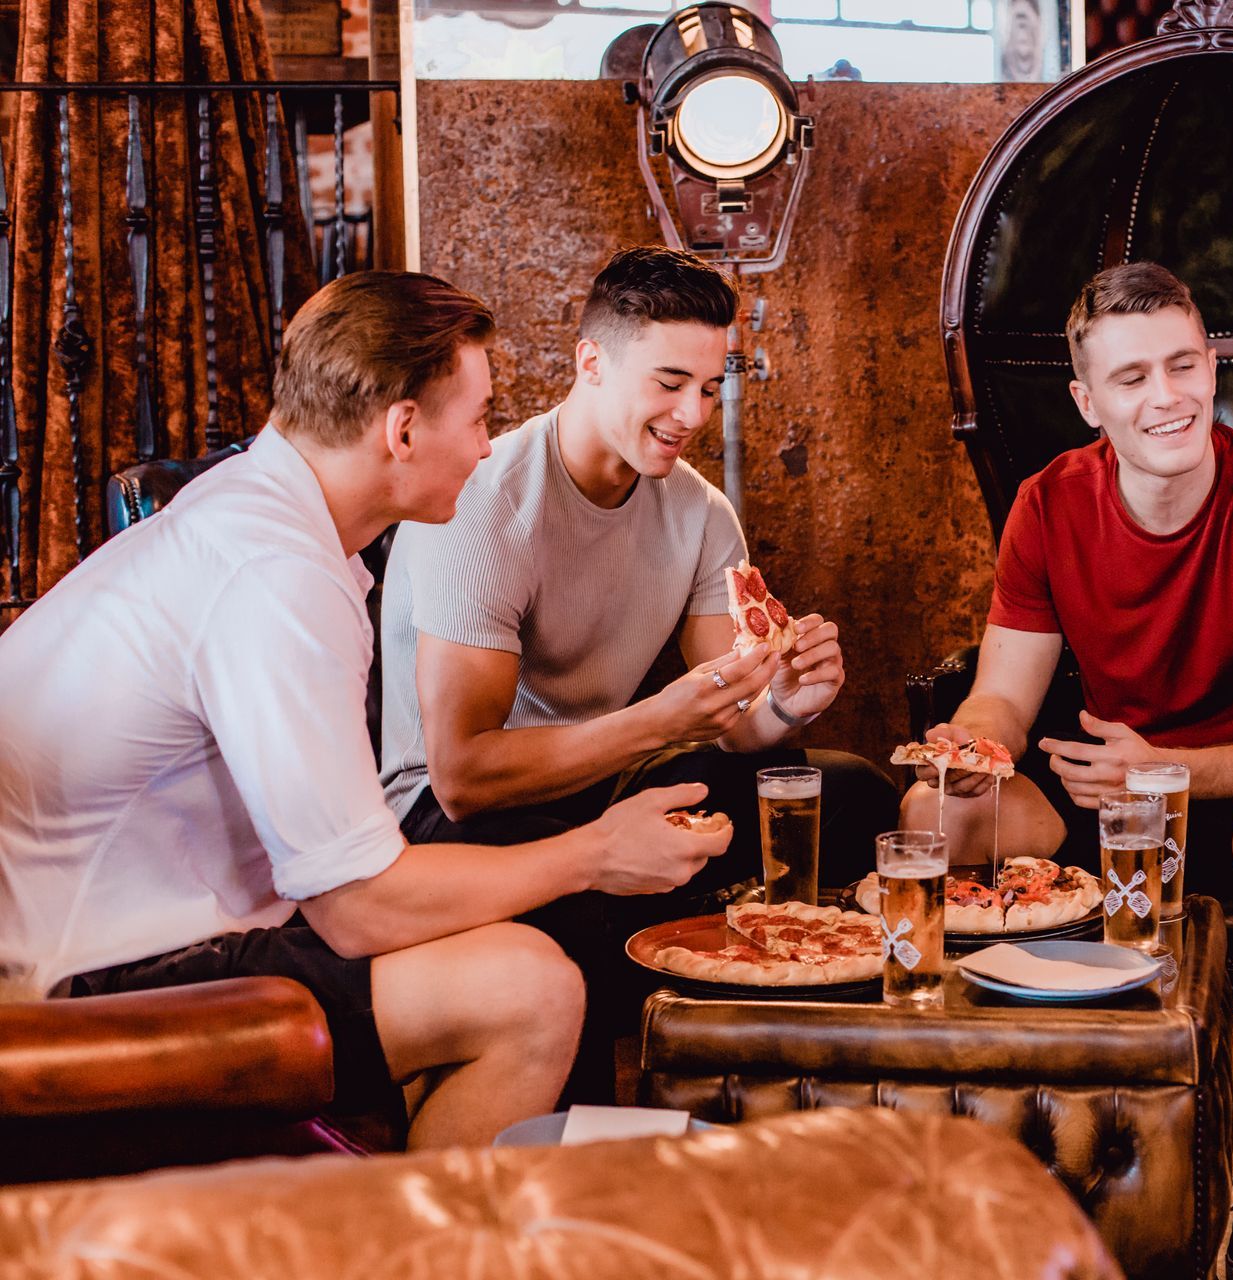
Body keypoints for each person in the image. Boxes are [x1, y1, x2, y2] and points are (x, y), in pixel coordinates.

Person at [0, 272, 730, 1149]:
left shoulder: (272, 527)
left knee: (515, 934)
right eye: (479, 418)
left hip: (129, 935)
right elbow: (360, 909)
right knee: (526, 988)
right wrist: (600, 854)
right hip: (65, 986)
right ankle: (401, 1245)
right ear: (404, 428)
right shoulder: (274, 572)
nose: (488, 447)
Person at [904, 261, 1233, 1280]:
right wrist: (969, 748)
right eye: (1132, 378)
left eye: (1183, 364)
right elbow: (1003, 699)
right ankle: (972, 1123)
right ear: (1088, 400)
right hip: (1103, 796)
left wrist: (1174, 769)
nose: (1167, 397)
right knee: (924, 812)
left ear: (1209, 364)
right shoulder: (1048, 501)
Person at [377, 245, 897, 1096]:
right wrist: (660, 722)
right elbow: (465, 776)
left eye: (711, 385)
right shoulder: (483, 502)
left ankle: (798, 1091)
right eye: (667, 382)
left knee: (845, 795)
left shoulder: (698, 511)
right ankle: (588, 1133)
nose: (692, 411)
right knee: (580, 922)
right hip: (454, 821)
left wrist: (788, 706)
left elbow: (731, 719)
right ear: (591, 362)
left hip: (607, 780)